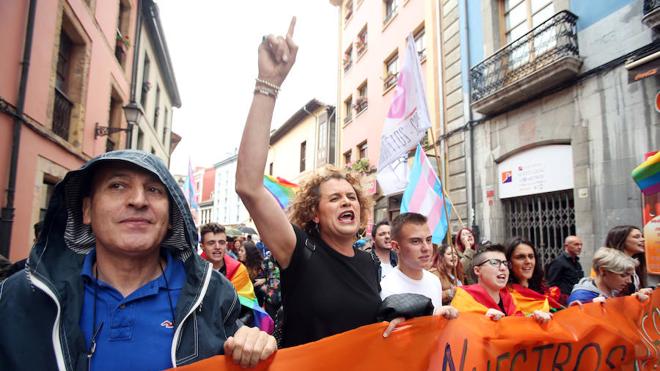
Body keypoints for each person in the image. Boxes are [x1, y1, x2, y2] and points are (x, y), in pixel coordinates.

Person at [0, 150, 276, 370]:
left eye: (154, 190)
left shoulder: (213, 294)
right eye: (117, 185)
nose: (138, 200)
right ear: (87, 210)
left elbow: (241, 346)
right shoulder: (23, 297)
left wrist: (254, 345)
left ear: (171, 217)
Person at [235, 18, 402, 347]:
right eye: (335, 198)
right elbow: (249, 187)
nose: (347, 202)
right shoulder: (299, 252)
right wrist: (268, 83)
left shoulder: (370, 262)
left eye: (351, 197)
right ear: (314, 212)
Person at [380, 213, 458, 319]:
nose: (426, 248)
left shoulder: (434, 280)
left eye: (429, 240)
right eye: (416, 241)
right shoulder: (387, 289)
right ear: (396, 246)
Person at [451, 244, 551, 324]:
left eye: (505, 263)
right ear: (477, 270)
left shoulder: (510, 299)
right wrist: (482, 321)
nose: (503, 268)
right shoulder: (463, 299)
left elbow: (519, 326)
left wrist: (535, 321)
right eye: (494, 262)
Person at [568, 247, 652, 305]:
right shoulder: (581, 298)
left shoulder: (615, 290)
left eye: (630, 275)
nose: (629, 281)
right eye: (623, 275)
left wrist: (635, 301)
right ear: (603, 271)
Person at [505, 238, 562, 314]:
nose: (528, 261)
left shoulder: (543, 290)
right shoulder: (504, 295)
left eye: (531, 256)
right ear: (508, 263)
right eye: (521, 257)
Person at [603, 225, 646, 294]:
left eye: (642, 236)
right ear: (621, 240)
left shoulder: (636, 263)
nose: (643, 240)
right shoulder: (608, 265)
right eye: (636, 237)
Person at [546, 235, 584, 303]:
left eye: (581, 245)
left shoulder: (577, 263)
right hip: (564, 302)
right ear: (566, 246)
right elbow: (551, 284)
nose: (579, 247)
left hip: (577, 299)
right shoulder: (559, 262)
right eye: (576, 244)